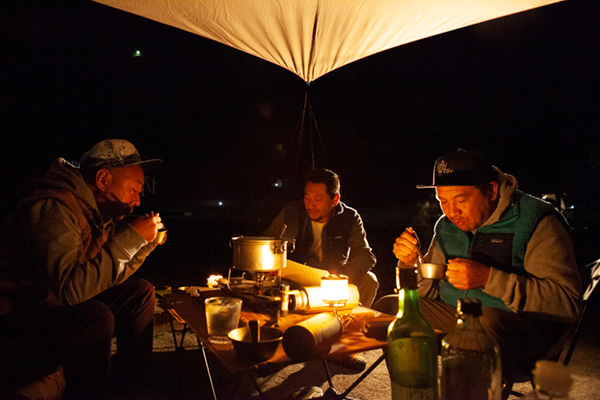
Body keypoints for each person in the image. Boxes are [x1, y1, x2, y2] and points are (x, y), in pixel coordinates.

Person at [380, 149, 582, 395]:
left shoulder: (536, 221)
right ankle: (415, 392)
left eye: (461, 200)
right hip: (455, 317)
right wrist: (411, 264)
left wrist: (488, 278)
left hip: (519, 330)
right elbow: (427, 291)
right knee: (391, 308)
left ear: (492, 190)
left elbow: (567, 302)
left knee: (487, 321)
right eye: (443, 201)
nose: (451, 212)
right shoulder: (446, 226)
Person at [0, 139, 165, 398]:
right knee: (96, 317)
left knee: (140, 293)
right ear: (103, 179)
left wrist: (142, 246)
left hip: (52, 303)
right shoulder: (53, 208)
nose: (137, 200)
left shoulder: (96, 212)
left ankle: (132, 389)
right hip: (18, 313)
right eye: (135, 189)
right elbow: (71, 290)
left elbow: (100, 276)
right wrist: (131, 239)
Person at [264, 168, 378, 308]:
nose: (310, 205)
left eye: (318, 199)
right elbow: (265, 243)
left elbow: (365, 255)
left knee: (369, 280)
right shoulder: (292, 212)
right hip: (297, 279)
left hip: (333, 277)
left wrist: (342, 276)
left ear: (335, 199)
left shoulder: (349, 217)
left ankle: (351, 320)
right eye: (307, 198)